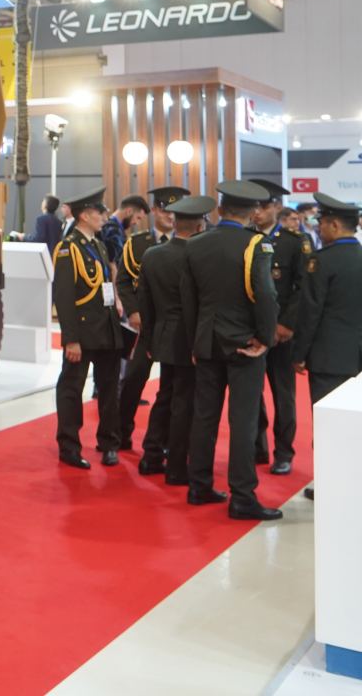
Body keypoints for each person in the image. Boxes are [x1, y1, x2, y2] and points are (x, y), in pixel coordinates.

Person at [183, 180, 282, 521]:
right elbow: (265, 295)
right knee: (243, 421)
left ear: (221, 210)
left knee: (204, 417)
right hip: (244, 343)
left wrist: (195, 341)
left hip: (207, 341)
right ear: (253, 213)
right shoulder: (257, 244)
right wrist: (265, 338)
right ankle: (242, 496)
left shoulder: (195, 244)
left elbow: (189, 299)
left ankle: (198, 486)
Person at [293, 193, 362, 500]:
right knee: (359, 420)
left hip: (328, 355)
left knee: (328, 425)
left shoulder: (321, 261)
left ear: (334, 225)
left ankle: (331, 485)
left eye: (322, 223)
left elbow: (310, 313)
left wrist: (299, 354)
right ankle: (360, 479)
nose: (319, 228)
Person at [136, 193, 214, 486]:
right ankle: (177, 466)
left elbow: (145, 303)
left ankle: (151, 455)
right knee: (184, 402)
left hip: (162, 335)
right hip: (189, 338)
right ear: (199, 226)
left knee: (165, 396)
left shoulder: (152, 254)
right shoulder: (198, 256)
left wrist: (149, 340)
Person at [115, 185, 189, 465]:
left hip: (174, 326)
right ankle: (121, 431)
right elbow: (124, 281)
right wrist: (133, 312)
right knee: (133, 379)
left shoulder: (190, 243)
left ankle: (164, 440)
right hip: (145, 325)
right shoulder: (138, 243)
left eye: (176, 212)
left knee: (170, 386)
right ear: (155, 210)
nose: (170, 216)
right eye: (166, 211)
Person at [52, 186, 124, 469]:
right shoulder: (68, 248)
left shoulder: (99, 245)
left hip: (106, 327)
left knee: (109, 389)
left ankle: (109, 443)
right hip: (83, 331)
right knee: (71, 390)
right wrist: (71, 339)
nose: (104, 216)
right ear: (83, 215)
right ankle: (69, 446)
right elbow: (64, 297)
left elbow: (105, 284)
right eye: (98, 211)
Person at [247, 181, 309, 477]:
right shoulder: (245, 239)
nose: (257, 212)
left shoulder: (293, 242)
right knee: (252, 394)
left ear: (276, 207)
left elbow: (302, 287)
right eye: (254, 207)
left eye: (263, 206)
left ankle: (283, 452)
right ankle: (257, 446)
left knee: (283, 396)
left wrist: (286, 324)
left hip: (281, 334)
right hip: (251, 331)